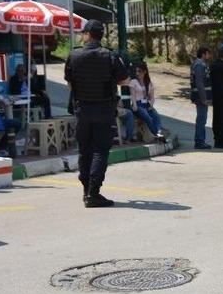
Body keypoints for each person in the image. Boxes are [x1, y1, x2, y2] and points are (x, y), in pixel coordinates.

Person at [64, 19, 129, 208]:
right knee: (100, 150)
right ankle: (93, 192)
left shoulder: (74, 55)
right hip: (103, 109)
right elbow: (124, 79)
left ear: (87, 35)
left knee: (85, 150)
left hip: (82, 109)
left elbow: (69, 82)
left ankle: (86, 191)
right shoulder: (109, 56)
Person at [129, 62, 164, 140]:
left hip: (147, 104)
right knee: (148, 118)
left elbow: (152, 97)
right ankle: (158, 135)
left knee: (156, 117)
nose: (137, 73)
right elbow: (133, 96)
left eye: (139, 71)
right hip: (138, 105)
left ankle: (159, 132)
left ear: (145, 72)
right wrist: (134, 105)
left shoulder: (149, 83)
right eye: (136, 71)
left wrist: (151, 105)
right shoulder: (133, 82)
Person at [191, 46, 213, 149]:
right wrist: (204, 98)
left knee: (202, 119)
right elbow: (199, 82)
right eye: (208, 54)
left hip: (201, 97)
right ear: (203, 54)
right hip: (200, 98)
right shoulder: (199, 65)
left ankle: (200, 141)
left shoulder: (201, 64)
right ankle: (199, 141)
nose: (209, 56)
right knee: (201, 119)